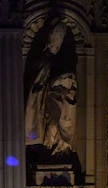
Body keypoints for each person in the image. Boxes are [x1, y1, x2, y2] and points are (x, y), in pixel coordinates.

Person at [24, 17, 77, 159]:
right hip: (46, 99)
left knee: (59, 122)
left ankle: (58, 147)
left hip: (58, 97)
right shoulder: (43, 61)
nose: (56, 45)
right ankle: (49, 147)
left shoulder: (60, 61)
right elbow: (37, 82)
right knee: (51, 124)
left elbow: (70, 80)